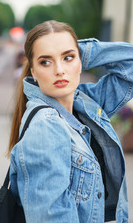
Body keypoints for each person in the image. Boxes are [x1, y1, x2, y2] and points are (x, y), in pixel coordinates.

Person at [8, 20, 133, 223]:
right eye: (45, 62)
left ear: (80, 61)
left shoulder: (86, 103)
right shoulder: (46, 127)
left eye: (68, 58)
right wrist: (68, 50)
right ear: (33, 71)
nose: (59, 70)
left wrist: (82, 49)